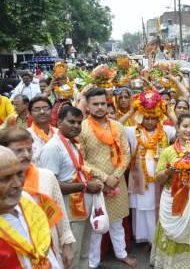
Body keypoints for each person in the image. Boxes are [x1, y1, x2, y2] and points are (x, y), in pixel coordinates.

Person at [77, 87, 136, 268]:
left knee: (117, 221)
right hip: (95, 184)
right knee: (97, 225)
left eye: (103, 103)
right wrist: (104, 178)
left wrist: (115, 176)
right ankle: (92, 263)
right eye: (96, 104)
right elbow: (81, 160)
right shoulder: (82, 128)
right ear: (87, 106)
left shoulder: (117, 126)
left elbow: (126, 153)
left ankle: (121, 253)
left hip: (117, 182)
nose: (100, 107)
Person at [38, 106, 104, 269]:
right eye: (71, 121)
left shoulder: (72, 144)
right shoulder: (53, 148)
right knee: (71, 258)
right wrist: (85, 186)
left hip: (82, 210)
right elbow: (50, 187)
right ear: (59, 122)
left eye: (79, 122)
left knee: (83, 255)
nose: (76, 126)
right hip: (69, 214)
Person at [0, 127, 76, 268]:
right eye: (19, 150)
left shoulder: (41, 182)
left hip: (48, 248)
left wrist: (67, 244)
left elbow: (60, 215)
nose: (26, 155)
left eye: (29, 149)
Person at [150, 113, 190, 268]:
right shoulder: (168, 152)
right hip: (173, 200)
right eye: (185, 126)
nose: (188, 130)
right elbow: (158, 179)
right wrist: (170, 171)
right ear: (177, 128)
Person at [125, 90, 176, 246]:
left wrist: (169, 111)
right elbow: (116, 126)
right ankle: (145, 238)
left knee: (158, 208)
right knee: (143, 209)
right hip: (140, 179)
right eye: (146, 118)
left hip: (160, 177)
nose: (149, 121)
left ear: (158, 118)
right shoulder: (133, 132)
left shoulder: (166, 131)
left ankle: (157, 239)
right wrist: (132, 110)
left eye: (153, 118)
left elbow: (182, 126)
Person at [27, 96, 57, 162]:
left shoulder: (59, 133)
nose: (42, 112)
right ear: (30, 113)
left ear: (51, 110)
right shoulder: (25, 135)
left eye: (46, 108)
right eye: (37, 109)